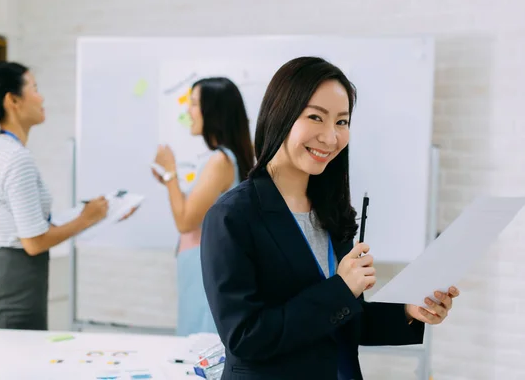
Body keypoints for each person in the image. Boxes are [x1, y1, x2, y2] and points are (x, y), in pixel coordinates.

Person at [200, 57, 460, 379]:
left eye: (341, 122)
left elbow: (344, 319)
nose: (331, 137)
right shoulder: (231, 217)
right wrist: (340, 289)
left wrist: (409, 311)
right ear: (280, 115)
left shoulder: (330, 211)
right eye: (315, 117)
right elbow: (246, 337)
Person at [0, 61, 134, 330]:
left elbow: (36, 223)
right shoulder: (16, 159)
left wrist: (100, 213)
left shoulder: (6, 149)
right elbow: (33, 241)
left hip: (14, 277)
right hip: (15, 283)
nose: (41, 97)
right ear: (13, 100)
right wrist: (86, 219)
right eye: (35, 89)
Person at [152, 77, 254, 336]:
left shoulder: (220, 161)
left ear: (213, 111)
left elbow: (185, 221)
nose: (188, 111)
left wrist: (170, 173)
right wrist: (169, 182)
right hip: (203, 266)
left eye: (194, 103)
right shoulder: (224, 158)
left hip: (204, 268)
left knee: (198, 344)